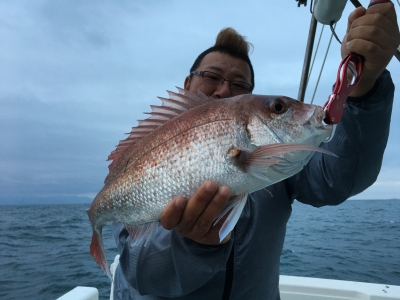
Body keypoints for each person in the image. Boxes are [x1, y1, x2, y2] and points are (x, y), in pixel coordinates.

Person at [112, 3, 399, 299]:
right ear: (188, 83)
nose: (224, 90)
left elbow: (339, 179)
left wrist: (365, 88)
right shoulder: (142, 158)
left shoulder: (280, 160)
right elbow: (140, 275)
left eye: (239, 85)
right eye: (211, 77)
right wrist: (195, 245)